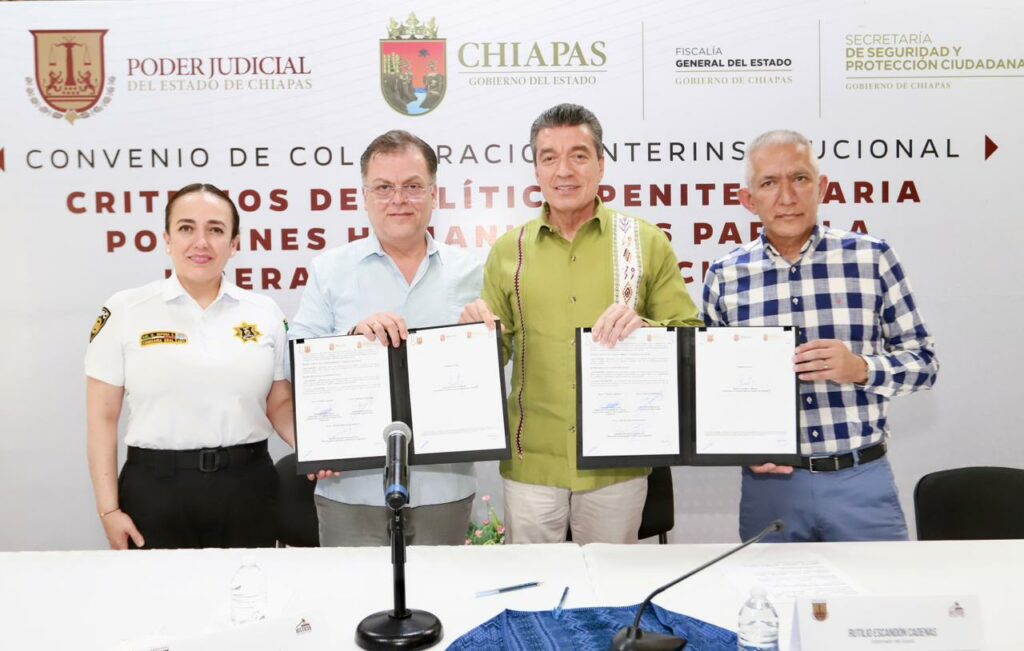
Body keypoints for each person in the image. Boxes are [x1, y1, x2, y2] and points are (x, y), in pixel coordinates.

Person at [461, 103, 702, 545]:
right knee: (533, 583)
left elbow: (690, 337)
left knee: (610, 583)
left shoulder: (645, 242)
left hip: (616, 463)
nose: (564, 171)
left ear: (601, 164)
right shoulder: (508, 251)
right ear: (536, 170)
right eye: (549, 157)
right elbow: (495, 353)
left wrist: (647, 329)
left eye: (578, 155)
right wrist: (475, 337)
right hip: (532, 462)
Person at [702, 129, 939, 542]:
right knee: (769, 587)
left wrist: (861, 368)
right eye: (769, 183)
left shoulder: (872, 259)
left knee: (878, 586)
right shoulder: (724, 276)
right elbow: (708, 390)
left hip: (861, 481)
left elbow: (925, 364)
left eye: (800, 178)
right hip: (770, 487)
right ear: (748, 200)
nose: (787, 197)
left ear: (822, 187)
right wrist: (740, 446)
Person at [290, 130, 483, 546]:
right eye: (383, 187)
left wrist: (488, 340)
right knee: (352, 588)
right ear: (364, 195)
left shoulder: (473, 271)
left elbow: (495, 364)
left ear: (433, 194)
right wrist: (353, 342)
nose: (399, 199)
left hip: (443, 488)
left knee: (442, 587)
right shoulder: (329, 271)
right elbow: (297, 364)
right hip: (350, 490)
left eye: (412, 186)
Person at [85, 183, 294, 550]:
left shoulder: (265, 311)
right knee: (159, 589)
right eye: (186, 228)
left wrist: (320, 450)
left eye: (215, 229)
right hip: (155, 491)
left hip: (247, 489)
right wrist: (108, 509)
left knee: (249, 586)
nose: (201, 242)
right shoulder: (126, 309)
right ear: (167, 239)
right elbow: (102, 417)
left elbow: (278, 403)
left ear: (234, 244)